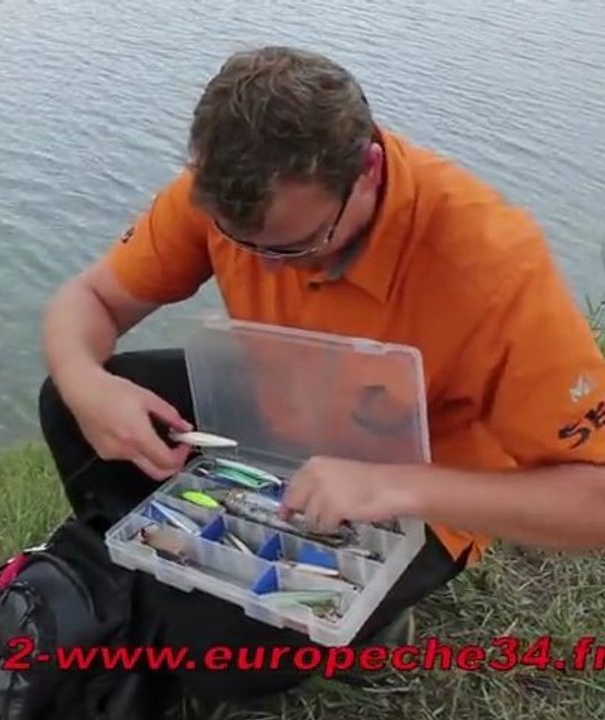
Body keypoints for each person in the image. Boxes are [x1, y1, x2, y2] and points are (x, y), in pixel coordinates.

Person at [36, 45, 605, 716]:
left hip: (420, 496)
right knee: (68, 403)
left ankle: (372, 624)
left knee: (218, 657)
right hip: (270, 418)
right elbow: (91, 300)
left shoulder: (492, 266)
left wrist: (391, 485)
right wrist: (84, 383)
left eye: (291, 248)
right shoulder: (223, 192)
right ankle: (137, 573)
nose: (265, 270)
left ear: (366, 169)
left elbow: (593, 500)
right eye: (231, 240)